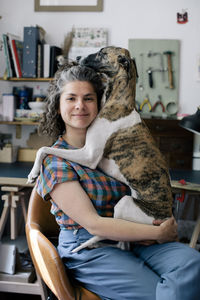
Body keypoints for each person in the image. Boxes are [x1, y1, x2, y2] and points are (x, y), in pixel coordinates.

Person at [36, 62, 200, 300]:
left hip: (133, 239)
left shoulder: (114, 150)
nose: (80, 105)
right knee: (158, 293)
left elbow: (140, 191)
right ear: (58, 105)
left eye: (88, 98)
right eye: (71, 98)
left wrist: (159, 222)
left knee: (192, 265)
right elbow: (94, 224)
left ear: (100, 103)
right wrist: (157, 233)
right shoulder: (55, 162)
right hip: (91, 249)